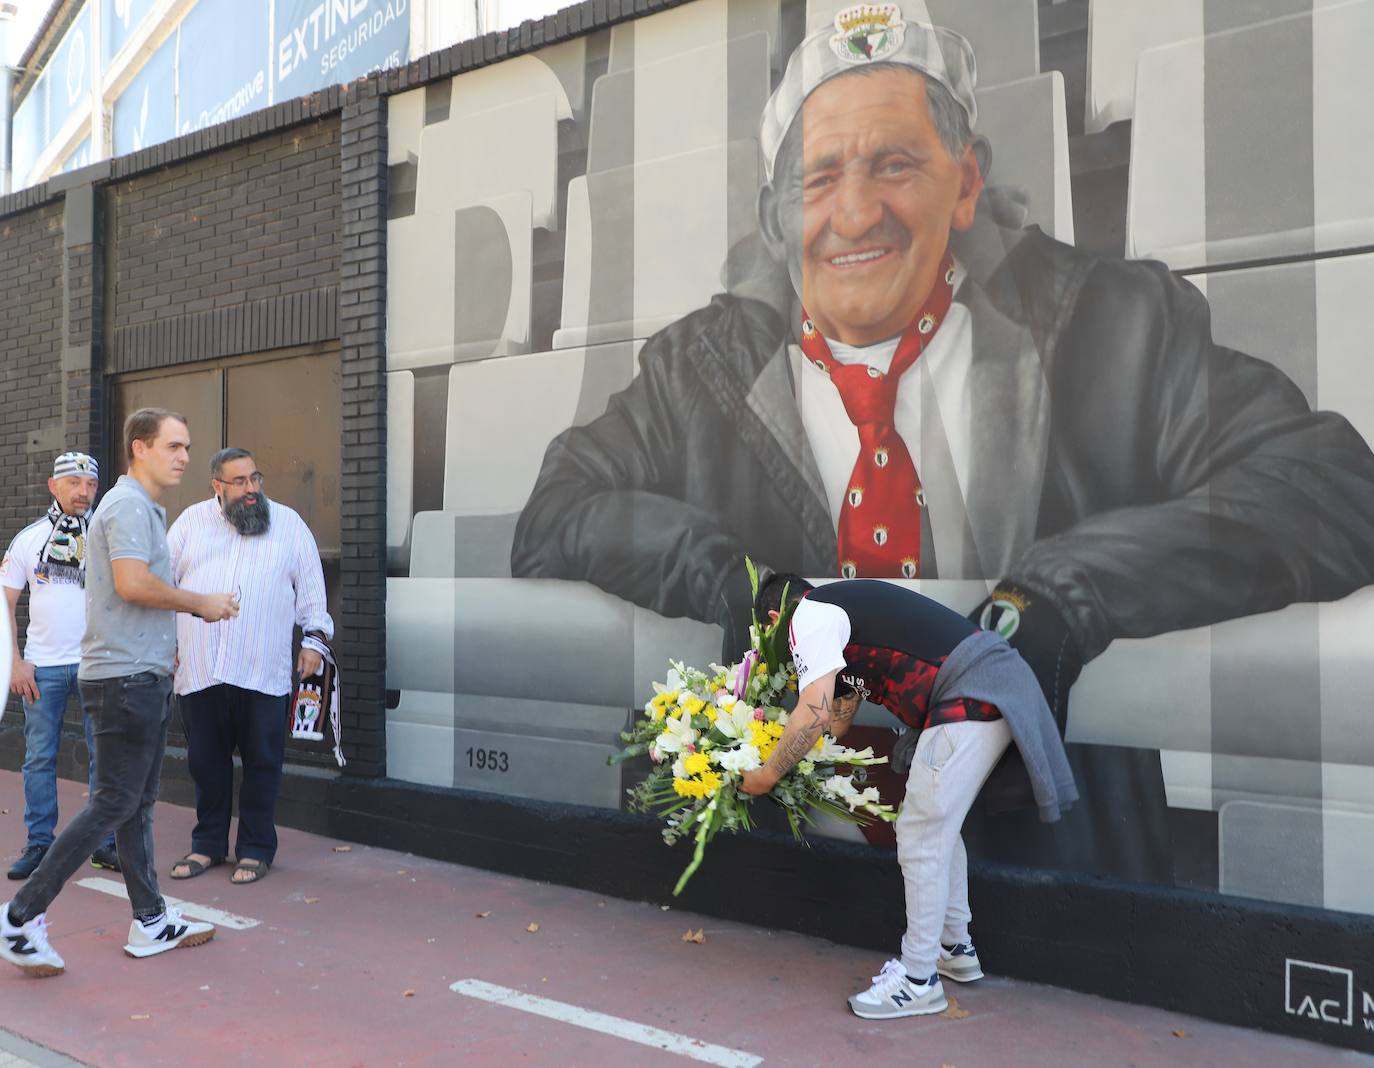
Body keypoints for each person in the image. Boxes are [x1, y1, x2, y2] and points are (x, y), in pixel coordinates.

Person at [511, 8, 1374, 880]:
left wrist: (1062, 596)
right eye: (819, 179)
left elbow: (1328, 483)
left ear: (966, 182)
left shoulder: (1118, 326)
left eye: (895, 165)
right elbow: (560, 509)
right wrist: (738, 586)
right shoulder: (693, 368)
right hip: (780, 868)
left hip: (1043, 865)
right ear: (776, 218)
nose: (854, 213)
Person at [740, 572, 1075, 1019]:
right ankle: (953, 948)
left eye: (768, 634)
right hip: (985, 682)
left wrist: (766, 774)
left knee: (920, 835)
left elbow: (815, 714)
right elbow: (836, 720)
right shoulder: (837, 621)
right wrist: (768, 742)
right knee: (936, 827)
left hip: (972, 688)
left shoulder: (810, 615)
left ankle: (918, 980)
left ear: (775, 617)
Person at [0, 408, 239, 977]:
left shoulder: (140, 507)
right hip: (125, 680)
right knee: (114, 800)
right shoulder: (129, 505)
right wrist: (199, 603)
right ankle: (18, 918)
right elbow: (133, 583)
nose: (184, 456)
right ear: (140, 448)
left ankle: (150, 919)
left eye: (186, 446)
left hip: (138, 677)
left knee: (134, 802)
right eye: (174, 446)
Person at [167, 447, 333, 886]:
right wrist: (164, 643)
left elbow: (312, 587)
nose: (252, 489)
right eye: (240, 482)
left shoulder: (289, 525)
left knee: (263, 763)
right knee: (206, 763)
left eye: (255, 478)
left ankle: (256, 849)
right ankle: (208, 845)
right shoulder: (189, 524)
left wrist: (314, 639)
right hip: (201, 668)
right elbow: (163, 586)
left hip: (263, 668)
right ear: (216, 487)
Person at [3, 453, 118, 880]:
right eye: (74, 483)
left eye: (90, 484)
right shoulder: (29, 539)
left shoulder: (106, 539)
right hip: (43, 668)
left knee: (103, 759)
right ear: (54, 486)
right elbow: (4, 604)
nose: (84, 492)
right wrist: (15, 663)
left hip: (97, 667)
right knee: (39, 758)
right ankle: (39, 845)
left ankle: (105, 845)